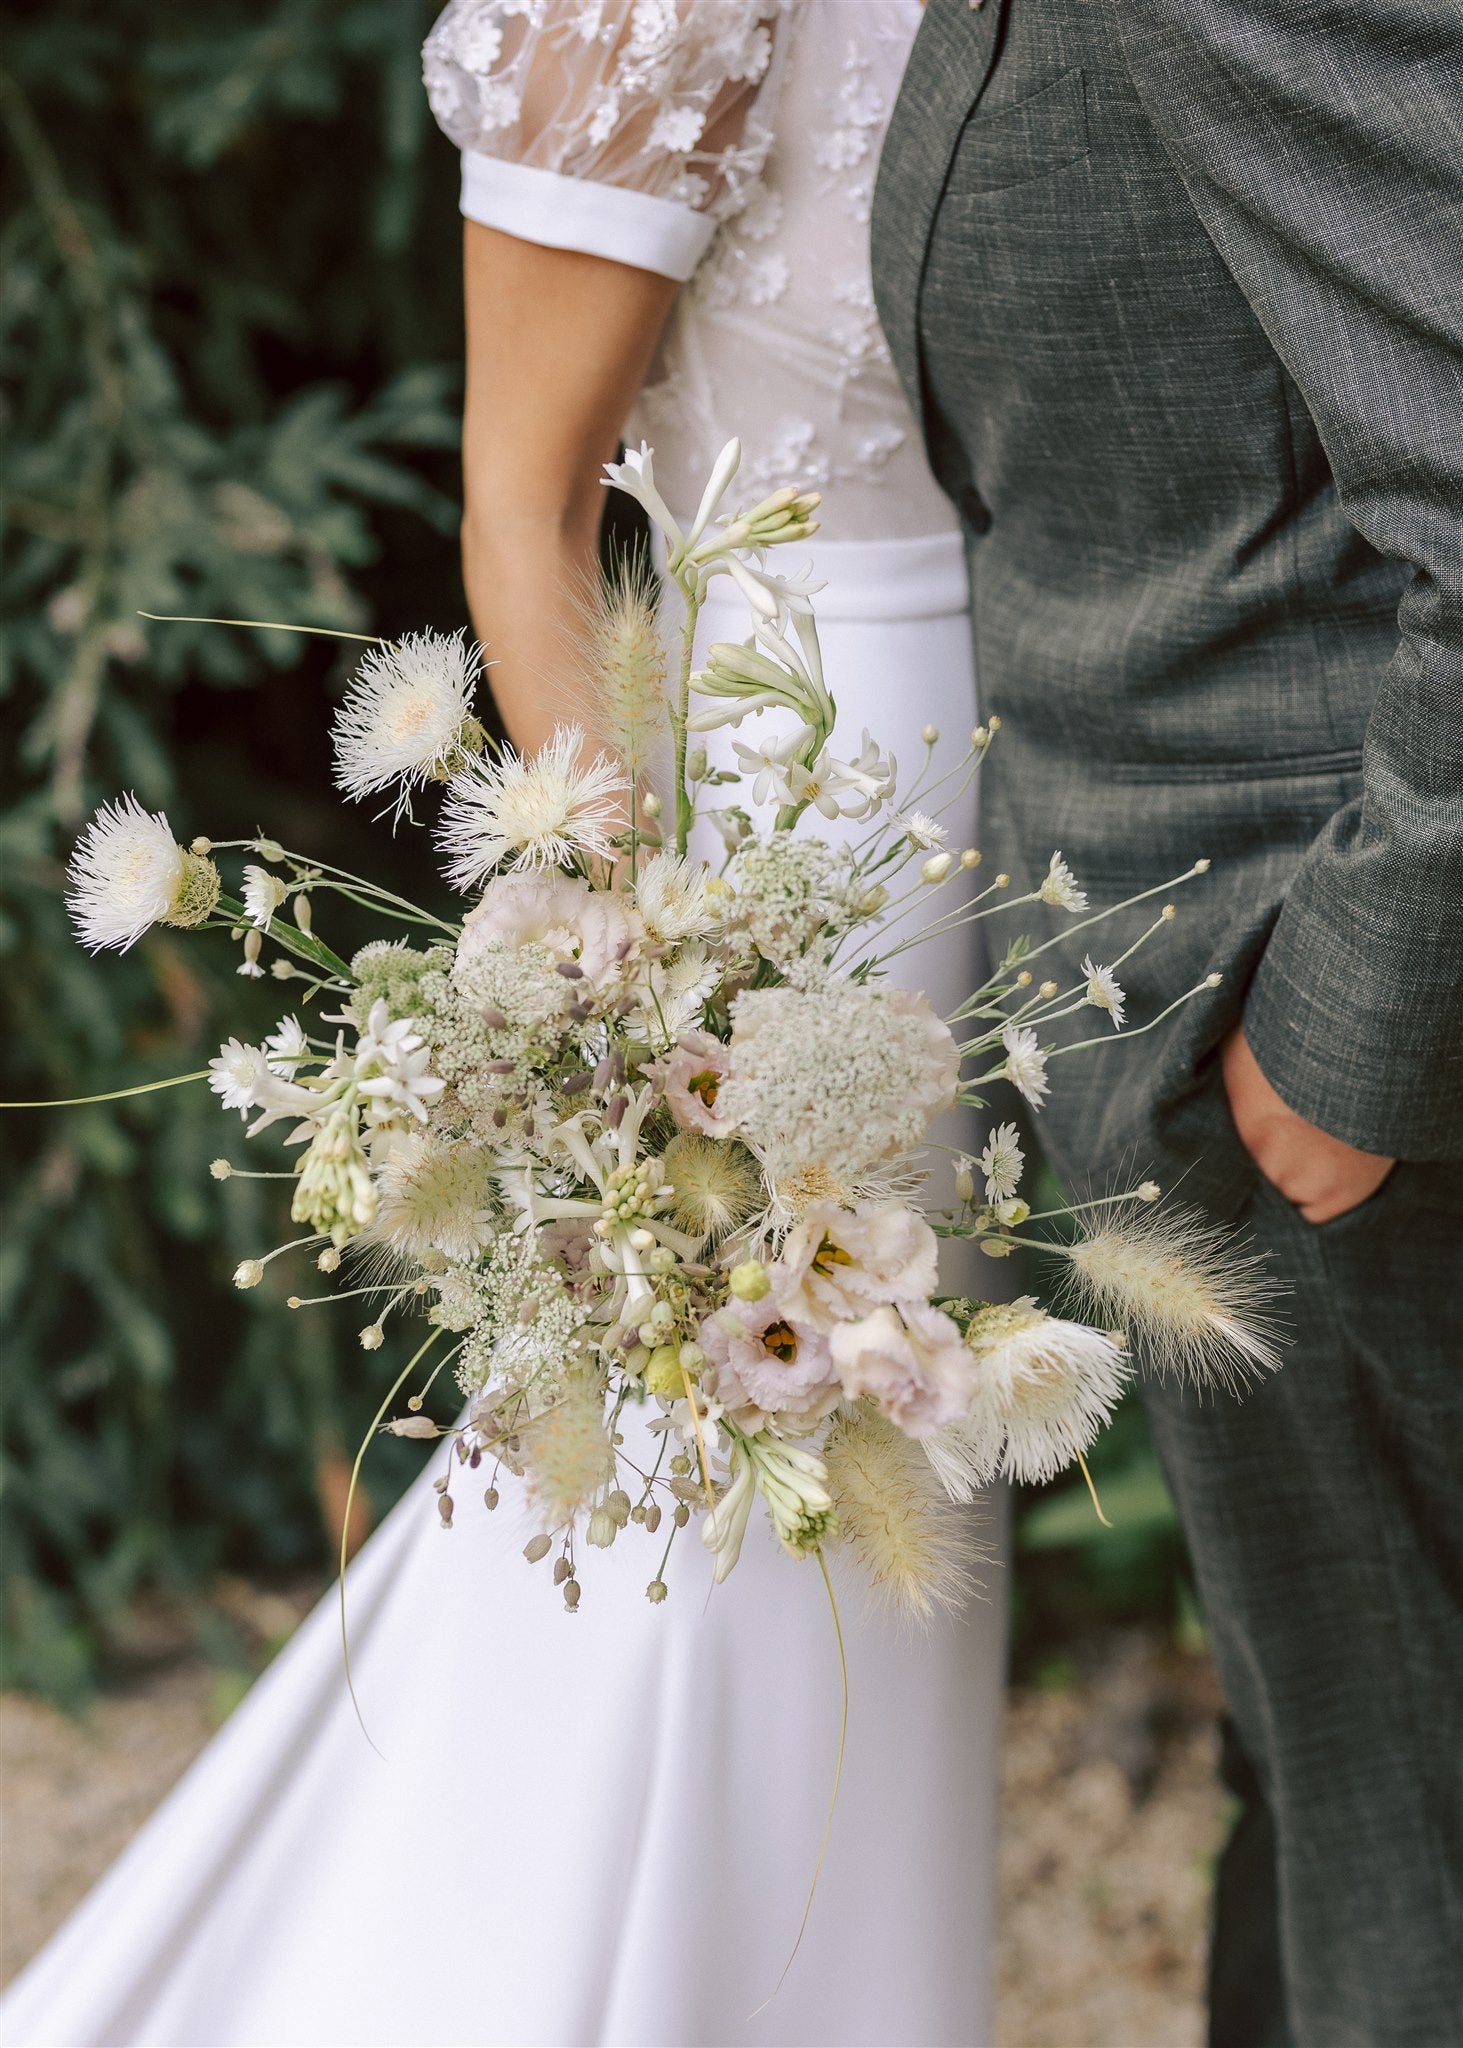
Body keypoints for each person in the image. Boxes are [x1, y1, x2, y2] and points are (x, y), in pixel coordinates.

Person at [1, 4, 1007, 2044]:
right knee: (727, 1522)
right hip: (802, 830)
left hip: (1028, 775)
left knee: (897, 1530)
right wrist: (662, 980)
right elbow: (520, 510)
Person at [870, 6, 1463, 2045]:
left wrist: (1347, 1036)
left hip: (1318, 1058)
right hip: (1205, 1046)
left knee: (1406, 1860)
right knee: (1325, 1794)